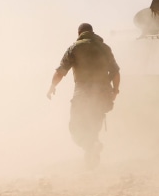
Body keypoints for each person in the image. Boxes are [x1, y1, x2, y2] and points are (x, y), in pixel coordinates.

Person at [47, 23, 120, 168]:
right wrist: (115, 91)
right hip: (103, 93)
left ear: (79, 33)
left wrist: (52, 86)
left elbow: (61, 71)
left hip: (83, 93)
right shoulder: (104, 48)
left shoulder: (75, 48)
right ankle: (92, 153)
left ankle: (90, 145)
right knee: (94, 125)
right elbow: (116, 72)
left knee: (76, 126)